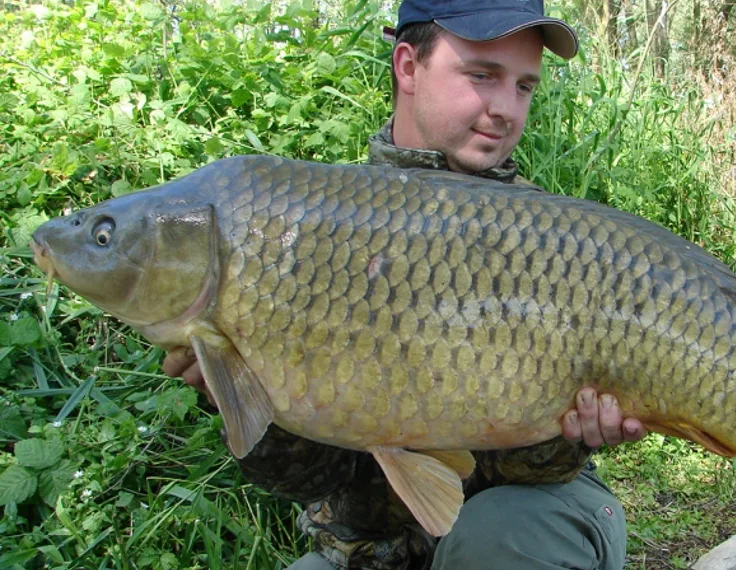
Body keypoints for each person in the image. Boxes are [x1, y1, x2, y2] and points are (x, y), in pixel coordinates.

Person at [163, 1, 648, 568]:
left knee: (493, 540)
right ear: (408, 67)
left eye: (523, 86)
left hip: (529, 519)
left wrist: (577, 433)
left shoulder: (545, 241)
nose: (505, 109)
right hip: (378, 545)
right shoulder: (315, 227)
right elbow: (311, 479)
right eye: (482, 75)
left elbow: (527, 473)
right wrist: (237, 393)